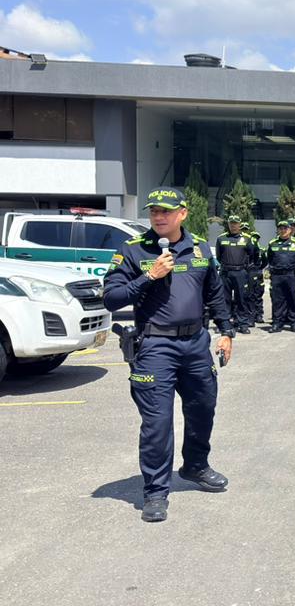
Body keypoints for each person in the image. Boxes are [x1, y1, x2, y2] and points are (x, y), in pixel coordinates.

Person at [103, 187, 235, 523]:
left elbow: (215, 293)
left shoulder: (201, 248)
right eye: (153, 212)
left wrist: (226, 332)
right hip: (154, 347)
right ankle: (156, 492)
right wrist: (149, 276)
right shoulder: (133, 250)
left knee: (203, 408)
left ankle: (195, 466)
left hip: (195, 345)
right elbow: (112, 297)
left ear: (182, 214)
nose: (159, 217)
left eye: (165, 211)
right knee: (158, 424)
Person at [214, 215, 258, 334]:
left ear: (239, 224)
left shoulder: (247, 239)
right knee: (225, 299)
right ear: (228, 224)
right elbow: (218, 256)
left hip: (241, 273)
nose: (233, 226)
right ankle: (225, 324)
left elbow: (253, 254)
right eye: (231, 223)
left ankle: (242, 324)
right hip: (226, 273)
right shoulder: (221, 239)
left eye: (235, 223)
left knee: (241, 299)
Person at [264, 220, 295, 333]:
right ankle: (277, 323)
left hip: (291, 275)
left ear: (290, 230)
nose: (282, 230)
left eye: (285, 228)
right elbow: (269, 258)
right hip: (277, 276)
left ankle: (294, 322)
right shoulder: (272, 243)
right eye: (280, 228)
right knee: (278, 300)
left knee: (293, 299)